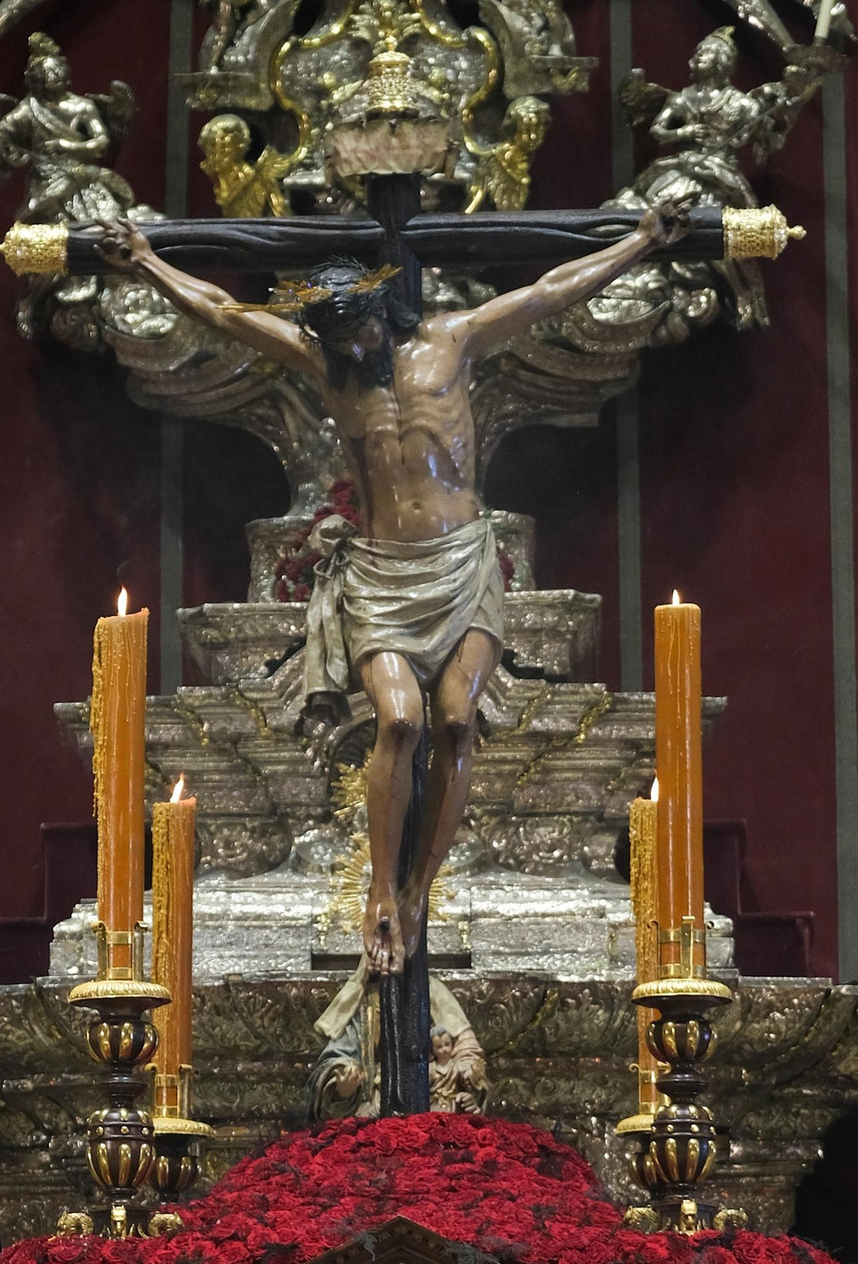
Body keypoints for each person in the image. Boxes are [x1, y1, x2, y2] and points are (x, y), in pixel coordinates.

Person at [102, 201, 693, 974]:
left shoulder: (451, 341)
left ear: (385, 310)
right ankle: (380, 891)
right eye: (339, 337)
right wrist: (144, 259)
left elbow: (550, 293)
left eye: (363, 329)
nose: (356, 346)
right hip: (382, 575)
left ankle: (419, 890)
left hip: (460, 565)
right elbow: (220, 309)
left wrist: (643, 241)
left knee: (454, 722)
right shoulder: (323, 365)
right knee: (401, 721)